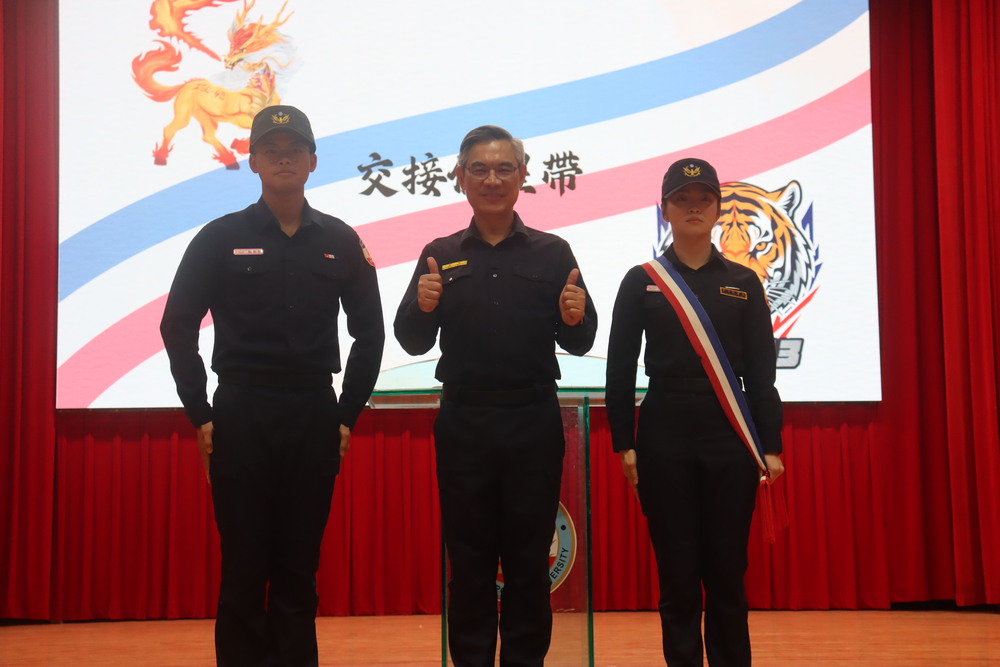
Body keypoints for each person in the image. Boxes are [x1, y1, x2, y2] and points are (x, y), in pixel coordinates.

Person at [160, 105, 385, 667]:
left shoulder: (340, 240)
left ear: (312, 161)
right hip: (242, 413)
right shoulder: (219, 237)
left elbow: (370, 333)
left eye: (295, 149)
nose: (284, 158)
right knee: (243, 567)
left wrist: (346, 415)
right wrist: (200, 412)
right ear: (254, 161)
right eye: (271, 150)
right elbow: (177, 324)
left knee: (298, 568)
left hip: (313, 412)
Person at [394, 125, 597, 667]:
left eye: (504, 168)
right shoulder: (439, 253)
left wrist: (574, 316)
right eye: (479, 169)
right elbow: (411, 339)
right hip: (465, 422)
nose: (492, 180)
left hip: (533, 422)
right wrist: (423, 306)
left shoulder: (553, 252)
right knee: (470, 563)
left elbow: (581, 339)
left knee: (529, 564)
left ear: (522, 176)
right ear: (460, 177)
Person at [605, 158, 785, 667]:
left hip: (730, 435)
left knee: (727, 572)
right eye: (681, 199)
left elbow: (761, 374)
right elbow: (619, 369)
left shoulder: (744, 282)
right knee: (678, 574)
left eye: (703, 199)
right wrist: (625, 443)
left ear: (717, 208)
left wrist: (771, 445)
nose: (693, 208)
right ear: (664, 209)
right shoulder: (641, 280)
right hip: (663, 434)